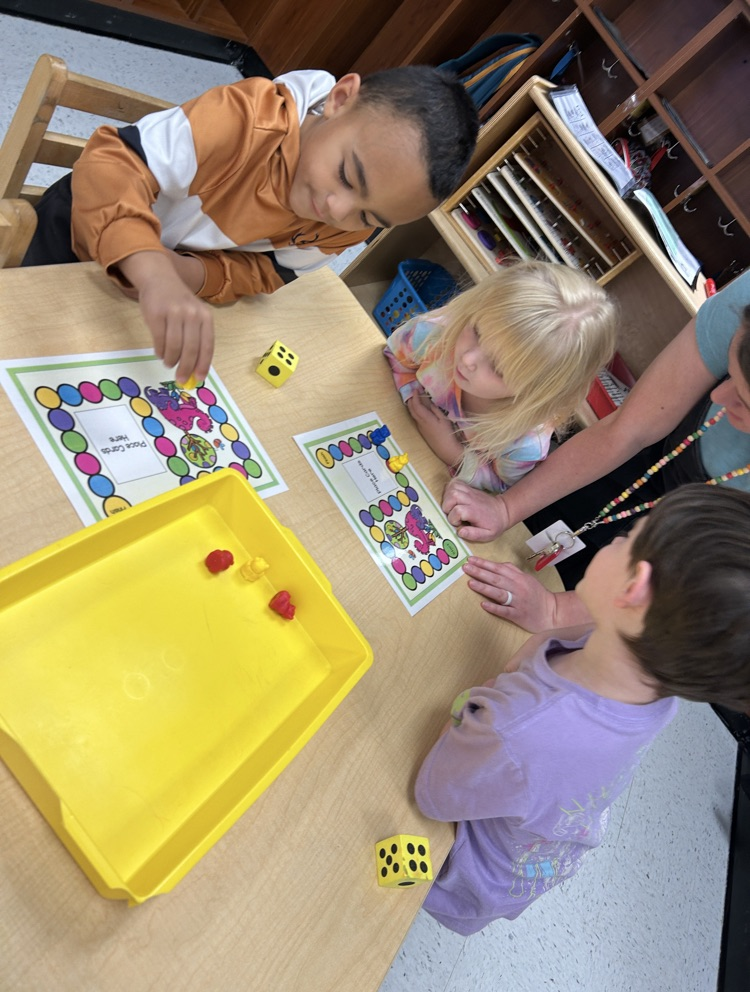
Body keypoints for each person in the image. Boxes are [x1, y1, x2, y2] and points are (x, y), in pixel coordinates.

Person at [415, 484, 750, 936]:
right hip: (542, 845)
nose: (614, 540)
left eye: (630, 537)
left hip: (468, 870)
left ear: (634, 589)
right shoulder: (657, 679)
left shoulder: (521, 727)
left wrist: (481, 710)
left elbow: (434, 795)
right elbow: (552, 644)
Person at [22, 65, 479, 383]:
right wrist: (154, 270)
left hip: (152, 288)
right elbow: (111, 164)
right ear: (339, 99)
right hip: (79, 231)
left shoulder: (354, 218)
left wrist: (186, 274)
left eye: (368, 217)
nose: (337, 211)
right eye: (345, 175)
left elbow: (268, 272)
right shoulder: (245, 119)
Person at [443, 269, 750, 629]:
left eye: (744, 400)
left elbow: (709, 586)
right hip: (648, 462)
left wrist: (556, 611)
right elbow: (628, 429)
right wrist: (505, 507)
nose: (718, 397)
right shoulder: (742, 305)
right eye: (730, 376)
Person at [383, 261, 617, 493]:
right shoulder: (436, 334)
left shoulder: (524, 443)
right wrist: (410, 395)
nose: (468, 359)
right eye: (476, 331)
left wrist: (451, 451)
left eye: (498, 368)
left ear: (537, 391)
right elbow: (394, 354)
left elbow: (500, 486)